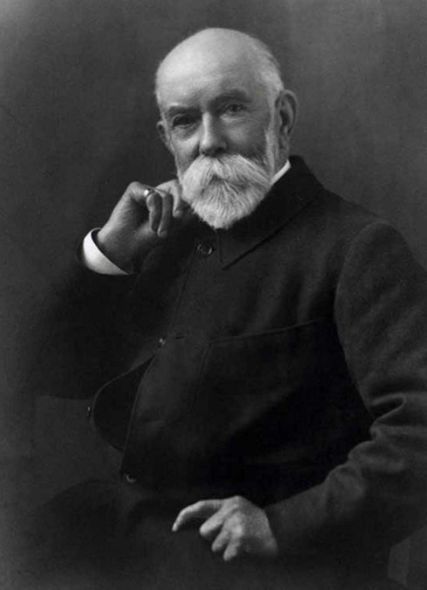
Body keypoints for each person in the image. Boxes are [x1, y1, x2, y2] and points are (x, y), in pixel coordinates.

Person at [31, 27, 427, 589]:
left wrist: (283, 526)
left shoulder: (357, 247)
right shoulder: (163, 238)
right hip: (142, 549)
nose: (209, 141)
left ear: (282, 118)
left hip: (276, 570)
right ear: (167, 137)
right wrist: (109, 255)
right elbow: (57, 374)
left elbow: (419, 433)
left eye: (232, 109)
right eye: (185, 121)